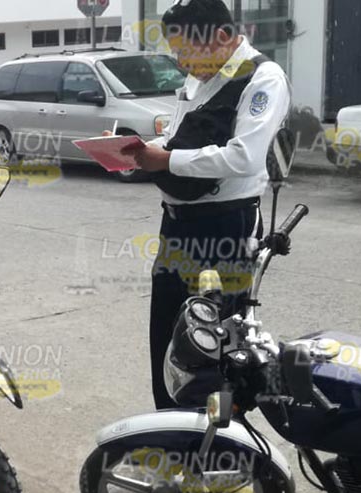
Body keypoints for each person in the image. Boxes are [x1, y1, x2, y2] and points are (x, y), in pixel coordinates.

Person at [120, 0, 291, 409]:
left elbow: (244, 156)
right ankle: (171, 431)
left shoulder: (262, 78)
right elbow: (180, 136)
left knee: (213, 345)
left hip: (225, 227)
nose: (182, 61)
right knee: (166, 337)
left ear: (221, 36)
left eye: (186, 51)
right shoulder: (198, 79)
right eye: (176, 52)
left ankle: (215, 446)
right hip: (176, 225)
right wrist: (143, 152)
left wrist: (168, 160)